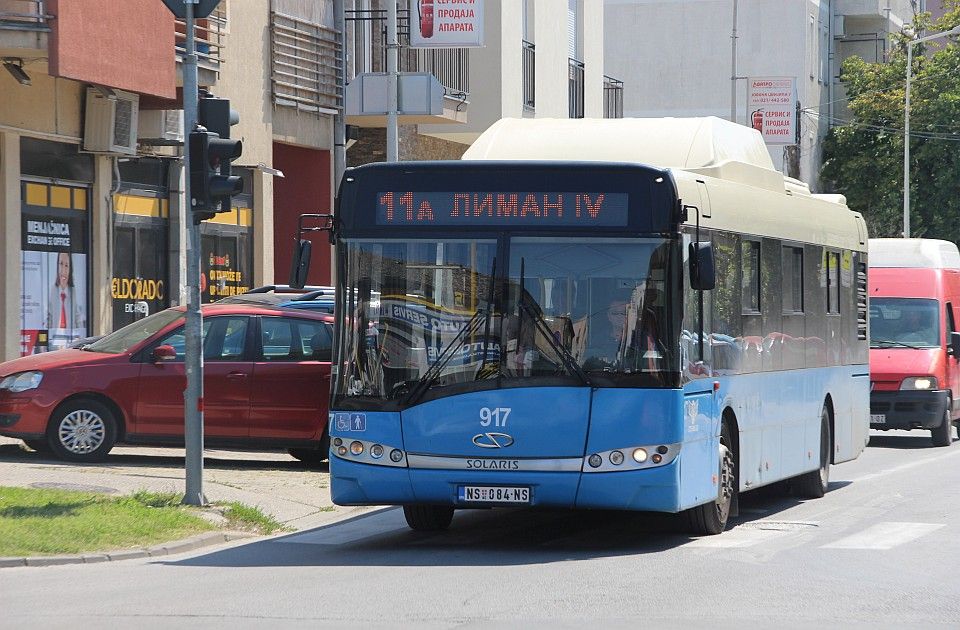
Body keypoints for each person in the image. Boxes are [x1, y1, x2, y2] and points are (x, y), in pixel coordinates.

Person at [46, 252, 85, 339]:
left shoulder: (74, 292)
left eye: (67, 266)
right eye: (61, 264)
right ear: (57, 266)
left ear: (70, 269)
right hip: (55, 339)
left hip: (71, 339)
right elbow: (48, 318)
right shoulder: (52, 291)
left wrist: (81, 339)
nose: (63, 271)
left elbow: (78, 319)